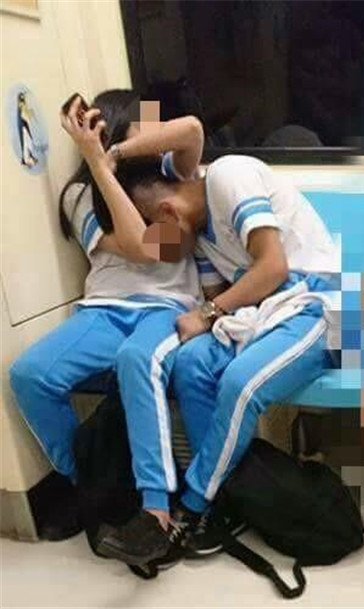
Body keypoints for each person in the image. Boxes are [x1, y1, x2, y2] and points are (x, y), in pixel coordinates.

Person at [86, 151, 339, 564]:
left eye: (157, 237)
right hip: (259, 316)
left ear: (168, 212)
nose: (163, 253)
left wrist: (206, 315)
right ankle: (226, 502)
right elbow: (216, 298)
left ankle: (190, 509)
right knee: (191, 364)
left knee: (240, 385)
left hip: (316, 306)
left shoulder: (228, 175)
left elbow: (273, 268)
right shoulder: (199, 237)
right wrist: (201, 320)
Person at [9, 90, 210, 544]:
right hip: (104, 310)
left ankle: (156, 503)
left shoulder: (170, 176)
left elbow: (191, 133)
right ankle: (92, 485)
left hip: (167, 307)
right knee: (30, 375)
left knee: (136, 359)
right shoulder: (80, 194)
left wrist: (110, 157)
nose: (154, 130)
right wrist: (98, 167)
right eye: (143, 121)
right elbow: (138, 247)